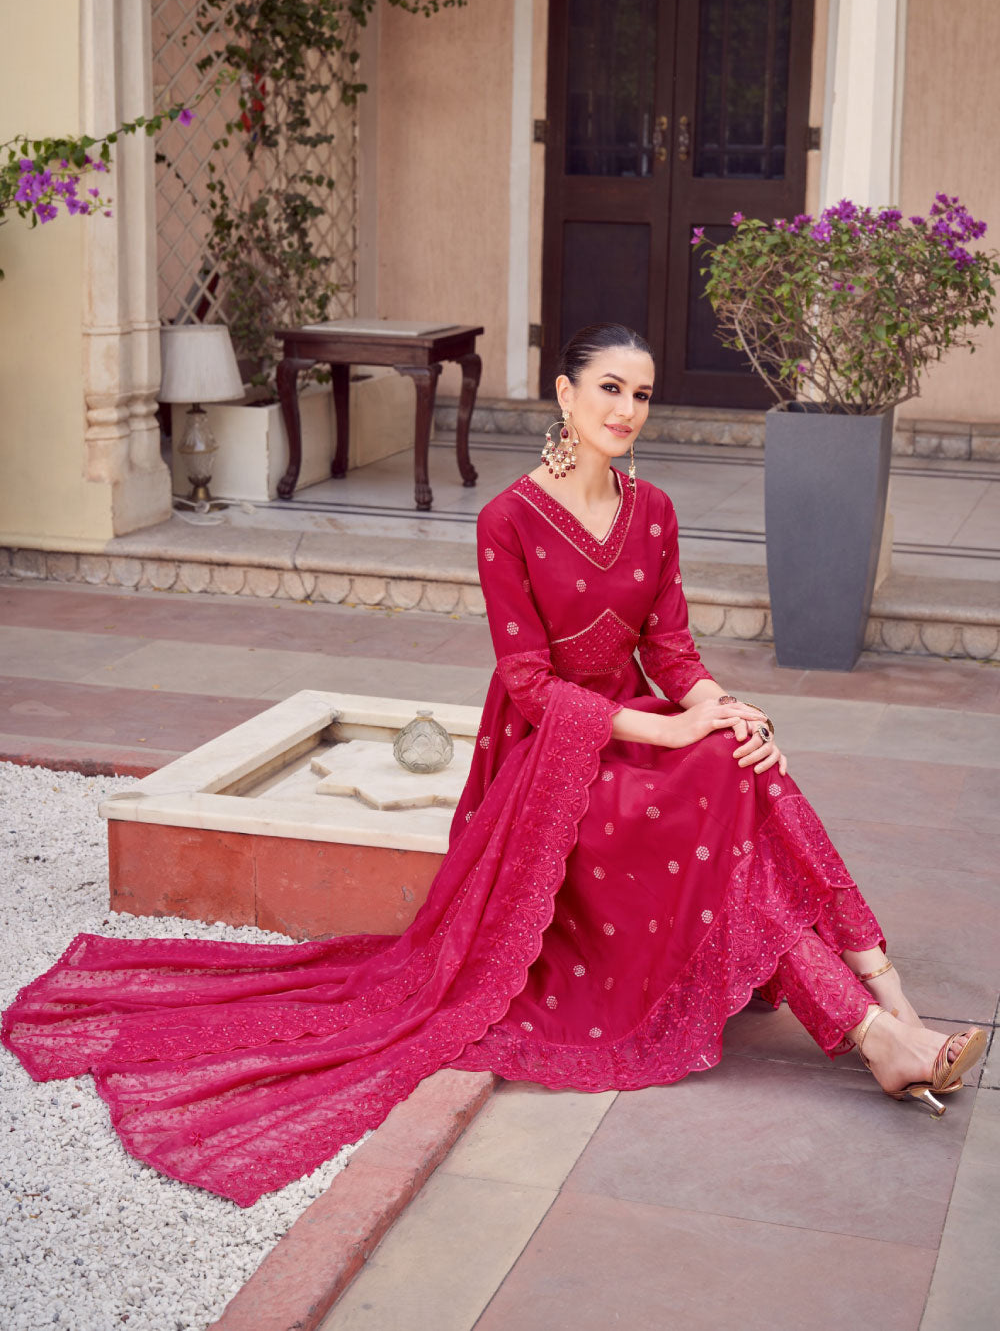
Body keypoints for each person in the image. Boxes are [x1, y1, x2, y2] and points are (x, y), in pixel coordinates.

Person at [2, 324, 984, 1208]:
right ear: (563, 393)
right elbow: (526, 684)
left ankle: (881, 1014)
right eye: (607, 388)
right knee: (727, 795)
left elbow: (673, 653)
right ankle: (881, 1016)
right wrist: (673, 735)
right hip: (549, 763)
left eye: (639, 394)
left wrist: (714, 708)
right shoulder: (507, 519)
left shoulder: (656, 511)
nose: (623, 410)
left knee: (747, 761)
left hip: (637, 724)